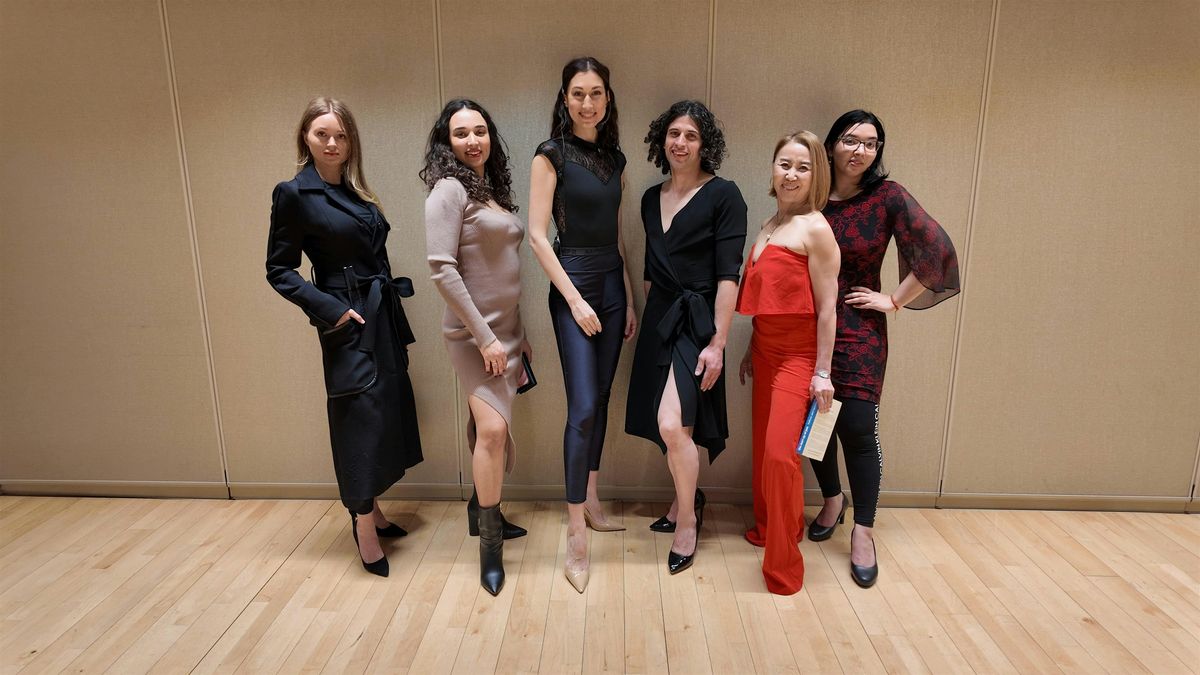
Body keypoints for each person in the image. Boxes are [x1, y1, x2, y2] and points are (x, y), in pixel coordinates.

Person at [266, 97, 423, 578]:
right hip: (347, 318)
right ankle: (363, 525)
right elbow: (279, 269)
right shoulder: (294, 194)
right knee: (358, 417)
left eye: (340, 135)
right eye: (322, 134)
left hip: (380, 314)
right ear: (306, 138)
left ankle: (373, 507)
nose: (332, 143)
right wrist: (333, 312)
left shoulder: (357, 192)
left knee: (384, 412)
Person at [807, 110, 959, 588]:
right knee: (815, 421)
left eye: (871, 144)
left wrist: (893, 299)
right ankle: (832, 499)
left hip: (860, 328)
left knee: (856, 426)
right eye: (851, 140)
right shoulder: (811, 194)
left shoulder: (887, 196)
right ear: (832, 144)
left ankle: (864, 531)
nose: (860, 151)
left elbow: (937, 251)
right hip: (807, 323)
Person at [527, 56, 637, 593]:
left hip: (613, 287)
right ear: (565, 99)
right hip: (573, 284)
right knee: (584, 407)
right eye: (578, 93)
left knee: (604, 399)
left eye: (596, 93)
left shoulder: (616, 159)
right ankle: (575, 535)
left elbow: (617, 235)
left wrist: (629, 298)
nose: (587, 103)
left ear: (607, 98)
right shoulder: (550, 155)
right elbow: (536, 235)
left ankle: (591, 499)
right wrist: (573, 300)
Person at [625, 100, 747, 575]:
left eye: (691, 135)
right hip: (661, 319)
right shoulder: (648, 198)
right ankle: (684, 500)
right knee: (671, 429)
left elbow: (729, 276)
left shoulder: (724, 195)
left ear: (704, 144)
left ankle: (689, 522)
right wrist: (644, 312)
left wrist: (718, 343)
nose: (680, 143)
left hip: (698, 324)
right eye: (674, 134)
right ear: (662, 140)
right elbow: (651, 270)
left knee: (673, 425)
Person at [422, 98, 530, 596]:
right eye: (461, 133)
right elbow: (442, 270)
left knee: (490, 430)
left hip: (507, 332)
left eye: (480, 131)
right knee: (492, 431)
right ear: (447, 142)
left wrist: (520, 334)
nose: (472, 140)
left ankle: (480, 509)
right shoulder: (448, 189)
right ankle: (490, 547)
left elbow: (503, 272)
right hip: (474, 336)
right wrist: (486, 337)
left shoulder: (491, 191)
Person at [736, 131, 839, 595]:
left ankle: (783, 570)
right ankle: (772, 529)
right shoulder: (769, 222)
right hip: (764, 349)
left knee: (781, 458)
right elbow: (770, 297)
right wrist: (750, 347)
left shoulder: (816, 228)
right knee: (764, 452)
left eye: (803, 167)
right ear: (773, 168)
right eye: (784, 164)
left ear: (816, 175)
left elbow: (827, 308)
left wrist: (822, 372)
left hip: (799, 357)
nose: (791, 174)